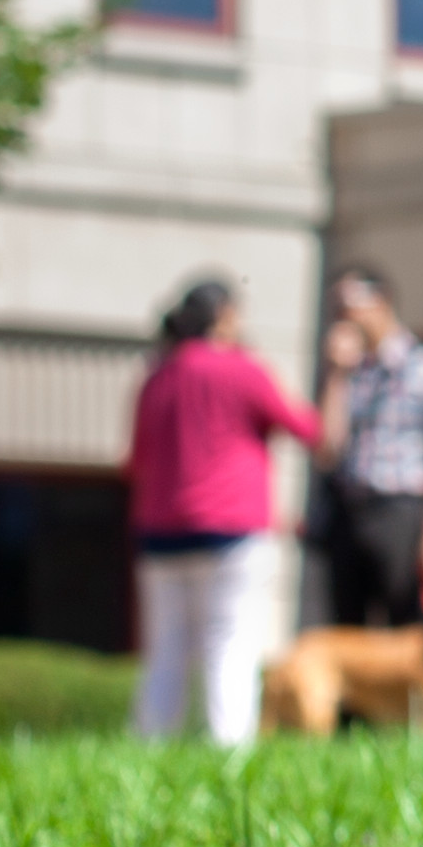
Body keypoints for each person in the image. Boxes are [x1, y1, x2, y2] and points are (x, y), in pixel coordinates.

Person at [126, 274, 321, 745]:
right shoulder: (241, 370)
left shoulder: (157, 377)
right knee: (229, 642)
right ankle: (229, 748)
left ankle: (149, 744)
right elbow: (307, 429)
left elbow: (137, 461)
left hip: (160, 531)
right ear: (226, 316)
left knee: (166, 650)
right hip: (232, 527)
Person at [320, 265, 423, 631]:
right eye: (337, 308)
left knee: (408, 627)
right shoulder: (348, 373)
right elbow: (327, 450)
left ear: (382, 300)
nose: (345, 316)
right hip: (350, 511)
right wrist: (335, 376)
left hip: (402, 513)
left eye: (352, 303)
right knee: (348, 632)